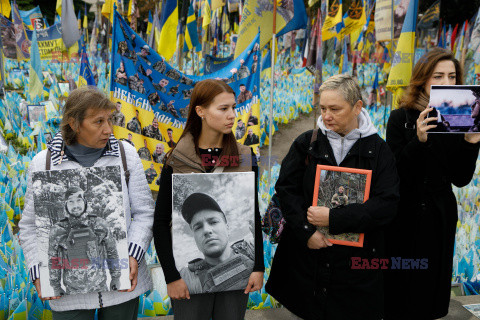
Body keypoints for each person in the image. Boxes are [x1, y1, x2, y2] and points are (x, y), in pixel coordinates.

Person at [265, 74, 400, 319]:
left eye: (335, 109)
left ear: (357, 107)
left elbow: (387, 204)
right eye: (323, 108)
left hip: (354, 271)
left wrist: (333, 218)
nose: (327, 116)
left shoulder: (379, 150)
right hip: (307, 264)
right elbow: (286, 189)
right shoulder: (307, 143)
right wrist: (307, 232)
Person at [19, 86, 154, 319]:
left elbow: (144, 213)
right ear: (73, 123)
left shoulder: (125, 154)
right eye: (98, 122)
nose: (108, 129)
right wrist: (38, 272)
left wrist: (133, 253)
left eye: (109, 120)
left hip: (121, 286)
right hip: (68, 292)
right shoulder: (44, 163)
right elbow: (30, 226)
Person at [153, 79, 264, 320]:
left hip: (237, 283)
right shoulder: (177, 158)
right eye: (223, 109)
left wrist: (258, 267)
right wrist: (172, 276)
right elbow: (161, 221)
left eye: (234, 108)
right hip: (187, 286)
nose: (232, 115)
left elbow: (253, 215)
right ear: (200, 111)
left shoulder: (245, 156)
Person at [384, 47, 480, 320]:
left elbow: (461, 179)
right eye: (438, 76)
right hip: (405, 217)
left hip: (439, 216)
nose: (447, 83)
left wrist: (472, 144)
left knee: (430, 295)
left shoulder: (460, 118)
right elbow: (394, 175)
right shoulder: (400, 118)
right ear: (423, 79)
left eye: (452, 76)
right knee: (401, 291)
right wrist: (419, 140)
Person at [48, 186, 121, 296]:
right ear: (66, 205)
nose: (75, 205)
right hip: (72, 293)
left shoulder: (100, 225)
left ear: (85, 202)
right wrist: (56, 286)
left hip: (100, 289)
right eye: (71, 202)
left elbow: (112, 252)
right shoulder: (58, 230)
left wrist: (115, 277)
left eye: (79, 200)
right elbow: (53, 260)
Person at [179, 193, 255, 294]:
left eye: (213, 222)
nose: (206, 230)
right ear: (194, 236)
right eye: (198, 227)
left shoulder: (253, 250)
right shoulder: (188, 280)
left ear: (227, 228)